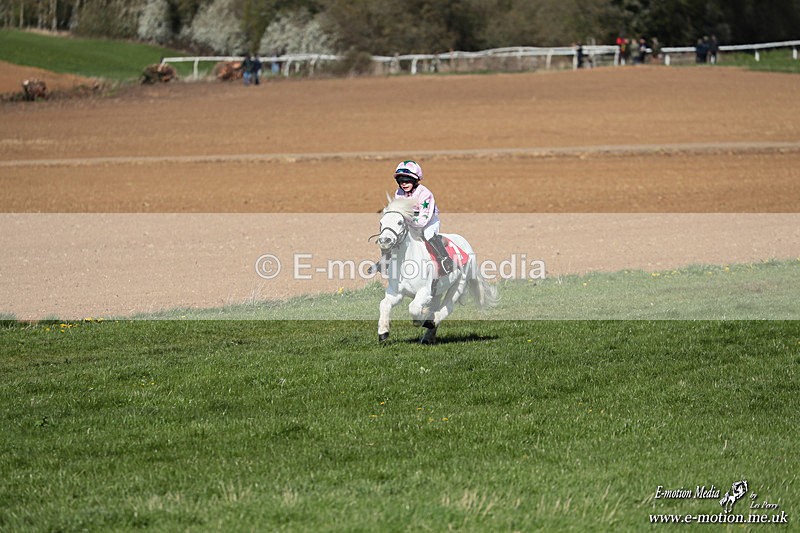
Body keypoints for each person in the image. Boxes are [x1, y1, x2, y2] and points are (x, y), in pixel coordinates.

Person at [374, 160, 453, 275]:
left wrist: (407, 223)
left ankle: (445, 260)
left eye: (407, 181)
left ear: (416, 180)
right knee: (393, 234)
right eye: (400, 181)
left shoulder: (425, 194)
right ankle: (385, 261)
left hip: (428, 221)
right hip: (409, 222)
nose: (403, 184)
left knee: (428, 234)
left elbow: (423, 220)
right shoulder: (399, 192)